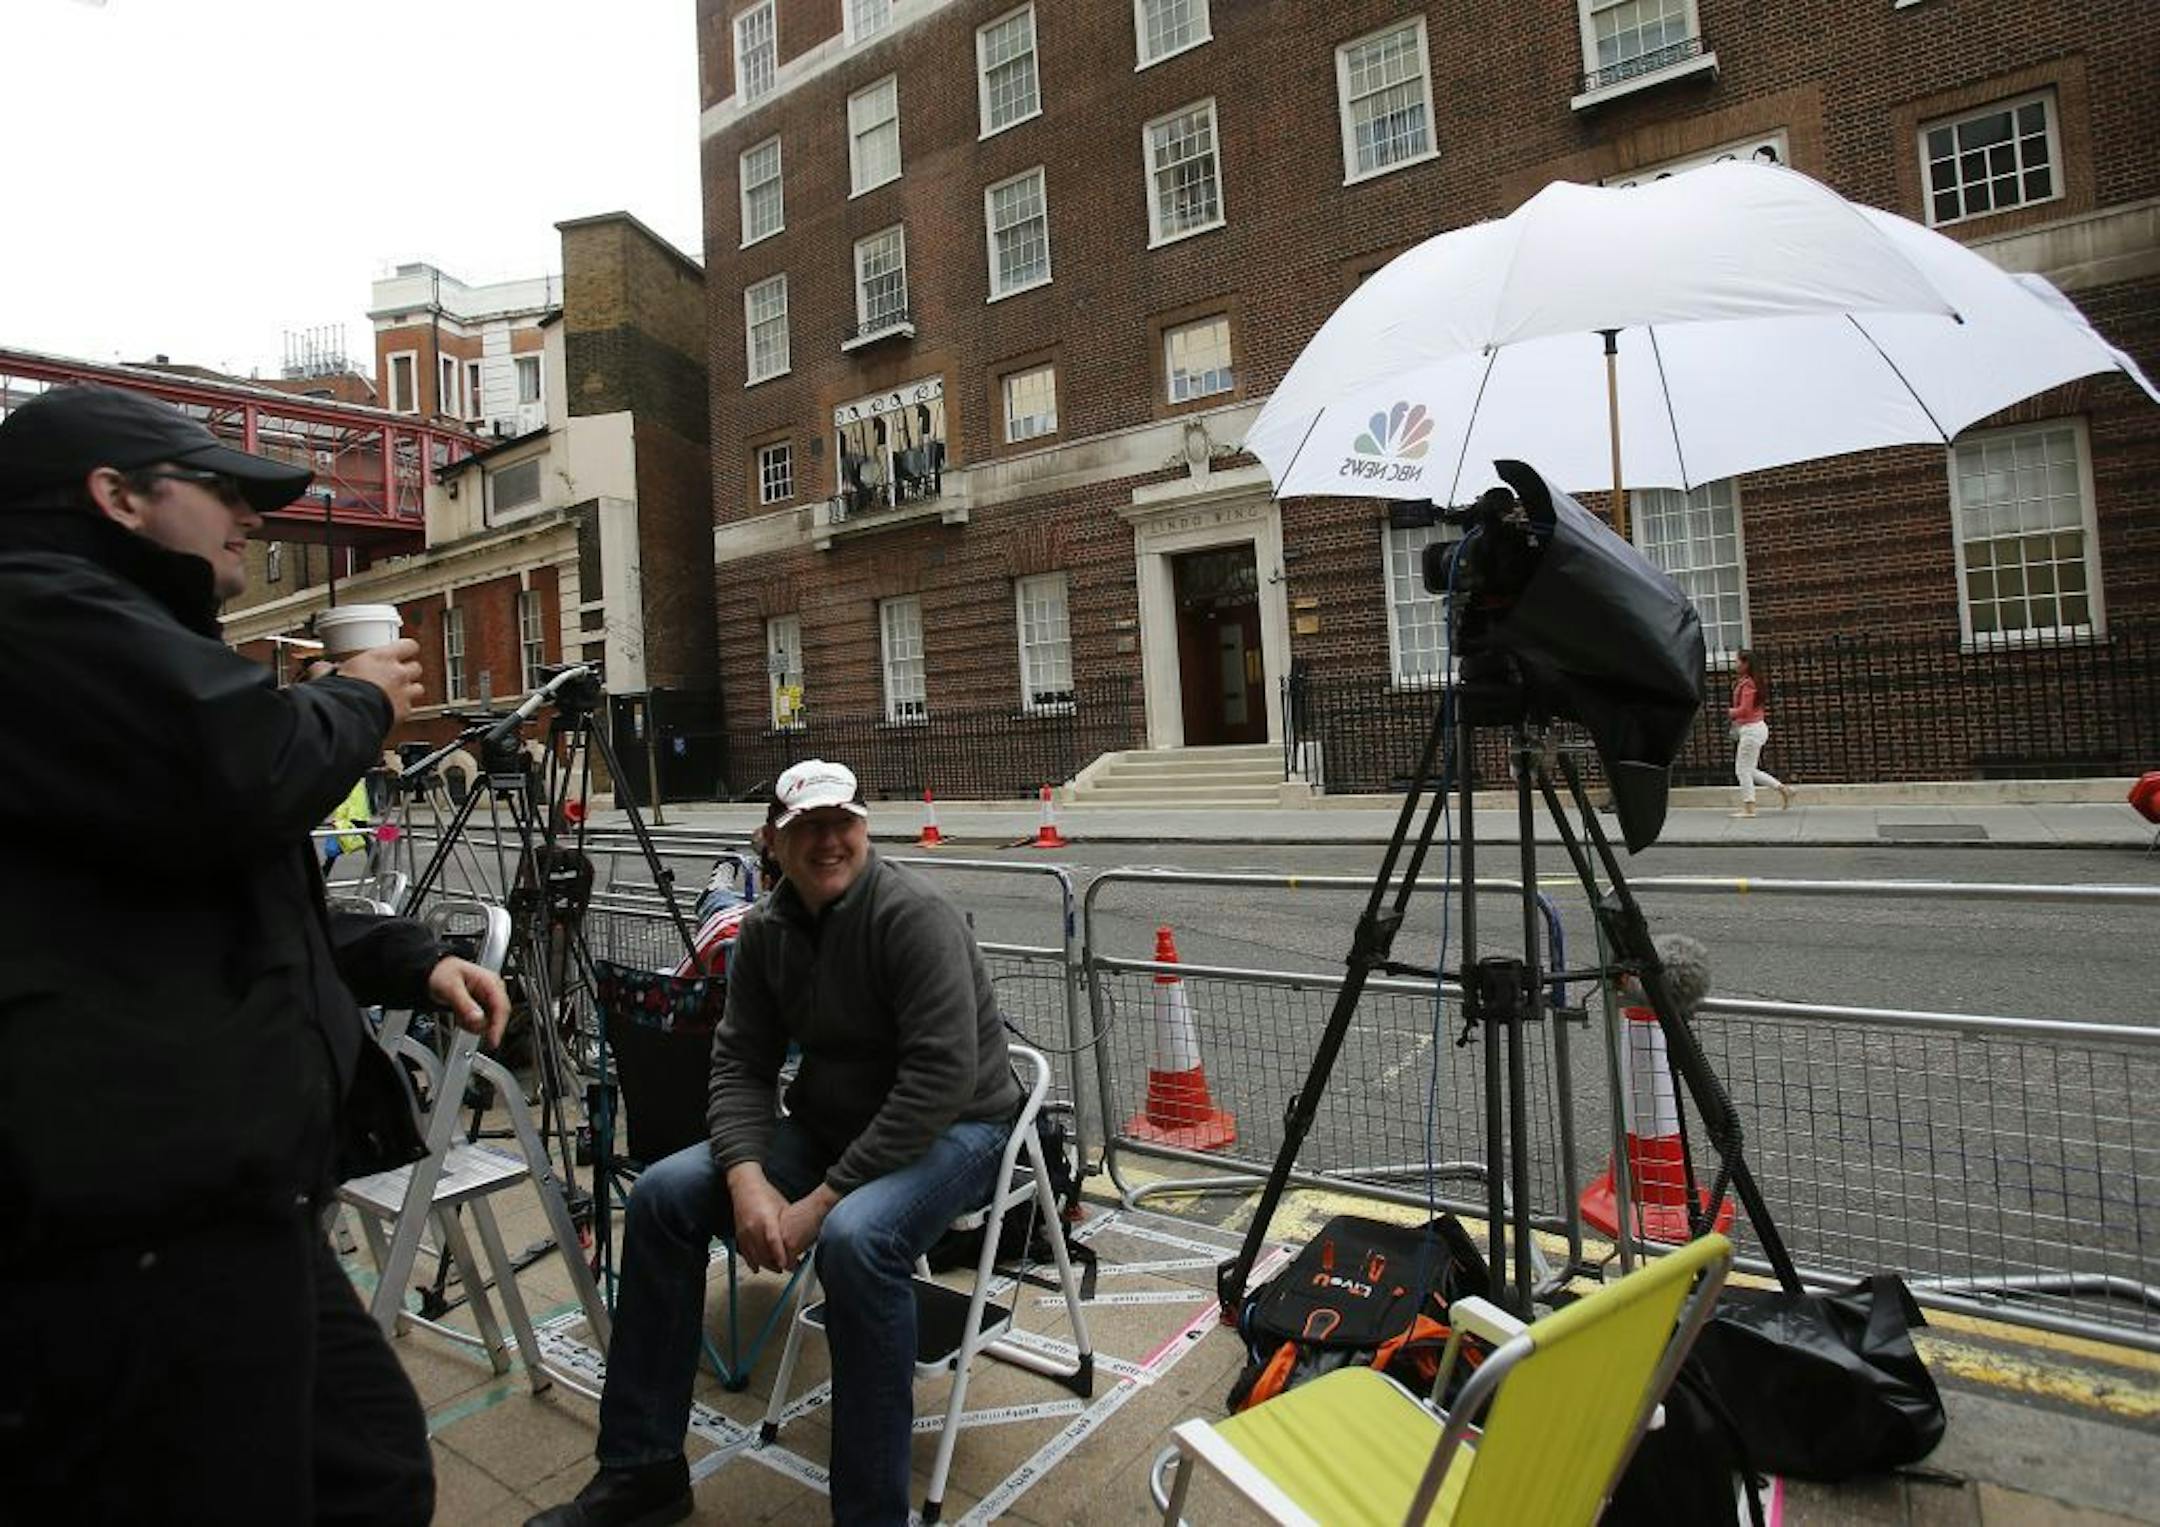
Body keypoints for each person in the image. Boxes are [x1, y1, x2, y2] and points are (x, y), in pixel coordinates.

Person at [0, 385, 512, 1525]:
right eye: (222, 490)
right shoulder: (44, 614)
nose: (252, 518)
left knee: (367, 1466)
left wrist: (406, 957)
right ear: (118, 496)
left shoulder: (129, 646)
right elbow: (239, 772)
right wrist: (355, 704)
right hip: (142, 1214)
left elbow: (218, 882)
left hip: (226, 1200)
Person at [536, 759, 1023, 1527]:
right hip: (834, 1126)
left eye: (843, 823)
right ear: (773, 842)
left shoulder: (911, 916)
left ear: (864, 827)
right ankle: (644, 1470)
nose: (829, 841)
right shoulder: (766, 931)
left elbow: (937, 1082)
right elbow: (739, 1062)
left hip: (961, 1126)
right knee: (663, 1192)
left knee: (857, 1240)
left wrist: (822, 1203)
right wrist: (747, 1179)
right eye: (808, 828)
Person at [1727, 647, 1795, 817]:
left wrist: (1731, 712)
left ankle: (1749, 809)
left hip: (1751, 730)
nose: (1735, 664)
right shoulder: (1748, 681)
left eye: (1737, 661)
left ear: (1746, 664)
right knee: (1750, 770)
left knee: (1742, 770)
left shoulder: (1749, 683)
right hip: (1754, 729)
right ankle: (1783, 789)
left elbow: (1745, 710)